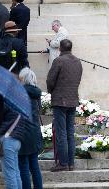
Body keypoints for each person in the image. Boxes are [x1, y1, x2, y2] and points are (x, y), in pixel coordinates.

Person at [46, 39, 82, 172]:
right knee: (70, 133)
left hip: (60, 100)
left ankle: (63, 163)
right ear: (71, 48)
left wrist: (52, 91)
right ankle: (71, 163)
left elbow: (50, 80)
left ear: (60, 49)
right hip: (72, 100)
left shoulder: (59, 61)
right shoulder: (77, 61)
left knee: (61, 133)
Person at [18, 67, 43, 189]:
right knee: (34, 166)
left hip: (23, 132)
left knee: (23, 166)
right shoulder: (37, 93)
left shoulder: (19, 92)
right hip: (35, 131)